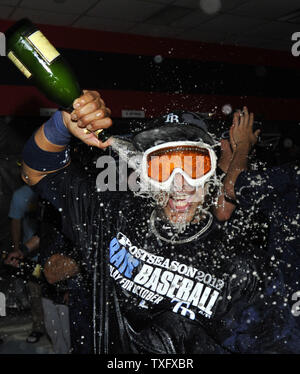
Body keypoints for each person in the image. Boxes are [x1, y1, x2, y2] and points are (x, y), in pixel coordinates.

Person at [21, 90, 300, 354]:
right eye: (163, 167)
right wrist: (63, 123)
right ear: (145, 174)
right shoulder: (113, 218)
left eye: (193, 166)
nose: (180, 184)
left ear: (211, 171)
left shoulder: (237, 267)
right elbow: (38, 171)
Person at [215, 107, 300, 317]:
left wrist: (241, 147)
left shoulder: (279, 175)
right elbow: (223, 210)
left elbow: (232, 191)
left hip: (280, 298)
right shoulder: (200, 175)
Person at [5, 184, 45, 344]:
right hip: (31, 254)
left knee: (56, 297)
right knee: (35, 292)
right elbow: (16, 223)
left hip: (54, 255)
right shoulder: (20, 195)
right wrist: (18, 250)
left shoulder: (53, 192)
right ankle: (39, 327)